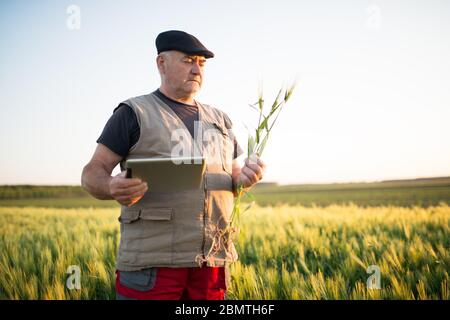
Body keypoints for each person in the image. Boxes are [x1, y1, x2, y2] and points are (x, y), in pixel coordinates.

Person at [81, 30, 266, 300]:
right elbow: (92, 172)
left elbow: (233, 177)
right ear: (161, 63)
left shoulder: (220, 120)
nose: (196, 69)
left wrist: (246, 178)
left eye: (202, 63)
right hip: (153, 265)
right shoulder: (133, 113)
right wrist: (110, 185)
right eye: (188, 60)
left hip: (212, 262)